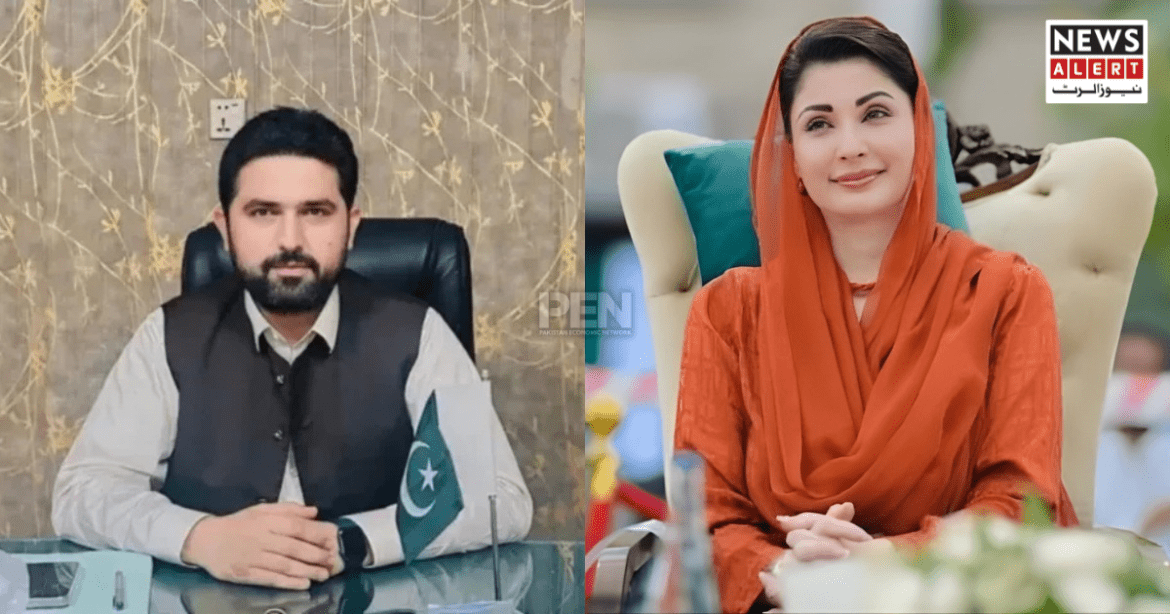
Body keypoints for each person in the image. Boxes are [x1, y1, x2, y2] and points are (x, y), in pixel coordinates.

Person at [672, 17, 1077, 613]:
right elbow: (704, 512)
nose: (850, 146)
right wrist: (787, 571)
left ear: (917, 127)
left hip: (955, 596)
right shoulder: (729, 311)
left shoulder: (1006, 292)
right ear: (794, 156)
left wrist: (883, 563)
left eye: (875, 114)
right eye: (819, 125)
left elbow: (1020, 500)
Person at [51, 107, 532, 590]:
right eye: (263, 212)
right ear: (224, 227)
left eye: (315, 212)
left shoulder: (417, 332)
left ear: (351, 224)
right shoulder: (171, 335)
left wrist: (355, 541)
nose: (290, 241)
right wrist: (200, 537)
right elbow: (82, 493)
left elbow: (502, 502)